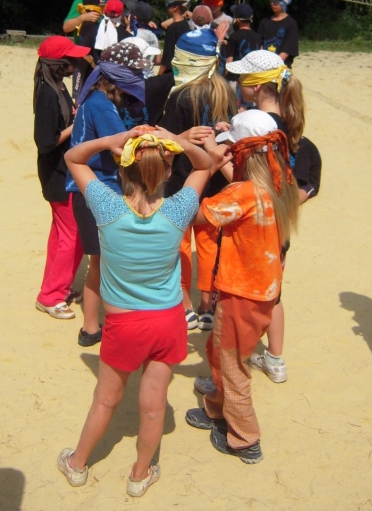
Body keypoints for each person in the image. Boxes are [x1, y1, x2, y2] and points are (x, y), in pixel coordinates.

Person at [58, 127, 225, 496]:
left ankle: (77, 463)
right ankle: (139, 475)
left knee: (106, 399)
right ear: (167, 172)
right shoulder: (178, 210)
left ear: (122, 169)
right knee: (153, 406)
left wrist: (108, 141)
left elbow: (73, 157)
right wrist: (176, 139)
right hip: (167, 321)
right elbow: (204, 165)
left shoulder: (107, 207)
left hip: (124, 324)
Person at [194, 50, 319, 390]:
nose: (237, 84)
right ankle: (274, 359)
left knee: (237, 307)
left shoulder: (262, 126)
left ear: (258, 86)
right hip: (276, 229)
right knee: (272, 294)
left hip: (253, 232)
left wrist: (215, 154)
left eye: (242, 79)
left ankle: (228, 375)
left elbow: (247, 183)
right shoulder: (282, 125)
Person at [184, 111, 300, 463]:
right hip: (262, 294)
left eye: (232, 150)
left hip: (240, 295)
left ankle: (245, 439)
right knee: (220, 352)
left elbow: (190, 214)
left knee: (232, 367)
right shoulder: (279, 182)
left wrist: (206, 166)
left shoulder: (241, 193)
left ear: (244, 153)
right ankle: (216, 409)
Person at [66, 42, 151, 346]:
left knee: (100, 263)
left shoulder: (95, 99)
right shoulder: (102, 105)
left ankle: (92, 327)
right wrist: (174, 140)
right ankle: (100, 326)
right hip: (98, 191)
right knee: (106, 264)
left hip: (90, 190)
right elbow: (124, 149)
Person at [160, 28, 237, 330]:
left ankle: (185, 306)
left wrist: (180, 137)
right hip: (216, 182)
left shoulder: (181, 95)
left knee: (179, 245)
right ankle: (207, 306)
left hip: (182, 181)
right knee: (208, 245)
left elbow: (165, 141)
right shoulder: (225, 91)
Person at [33, 37, 90, 319]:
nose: (76, 62)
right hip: (57, 173)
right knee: (72, 234)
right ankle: (51, 296)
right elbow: (45, 141)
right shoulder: (48, 93)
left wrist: (73, 116)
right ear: (58, 64)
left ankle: (55, 287)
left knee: (60, 234)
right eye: (71, 59)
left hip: (61, 169)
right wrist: (75, 125)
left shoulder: (58, 86)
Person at [224, 3, 261, 108]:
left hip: (235, 79)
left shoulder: (234, 36)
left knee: (233, 108)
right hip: (251, 80)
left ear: (238, 20)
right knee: (248, 108)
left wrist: (225, 78)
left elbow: (229, 59)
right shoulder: (257, 37)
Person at [257, 0, 299, 68]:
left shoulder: (291, 24)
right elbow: (259, 44)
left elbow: (287, 50)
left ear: (285, 2)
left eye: (276, 1)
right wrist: (262, 62)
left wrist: (273, 65)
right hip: (263, 65)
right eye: (271, 0)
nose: (272, 3)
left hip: (281, 66)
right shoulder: (265, 21)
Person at [158, 0, 191, 75]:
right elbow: (163, 24)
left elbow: (166, 60)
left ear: (175, 7)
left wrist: (158, 77)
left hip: (171, 73)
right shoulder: (186, 25)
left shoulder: (172, 29)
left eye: (169, 1)